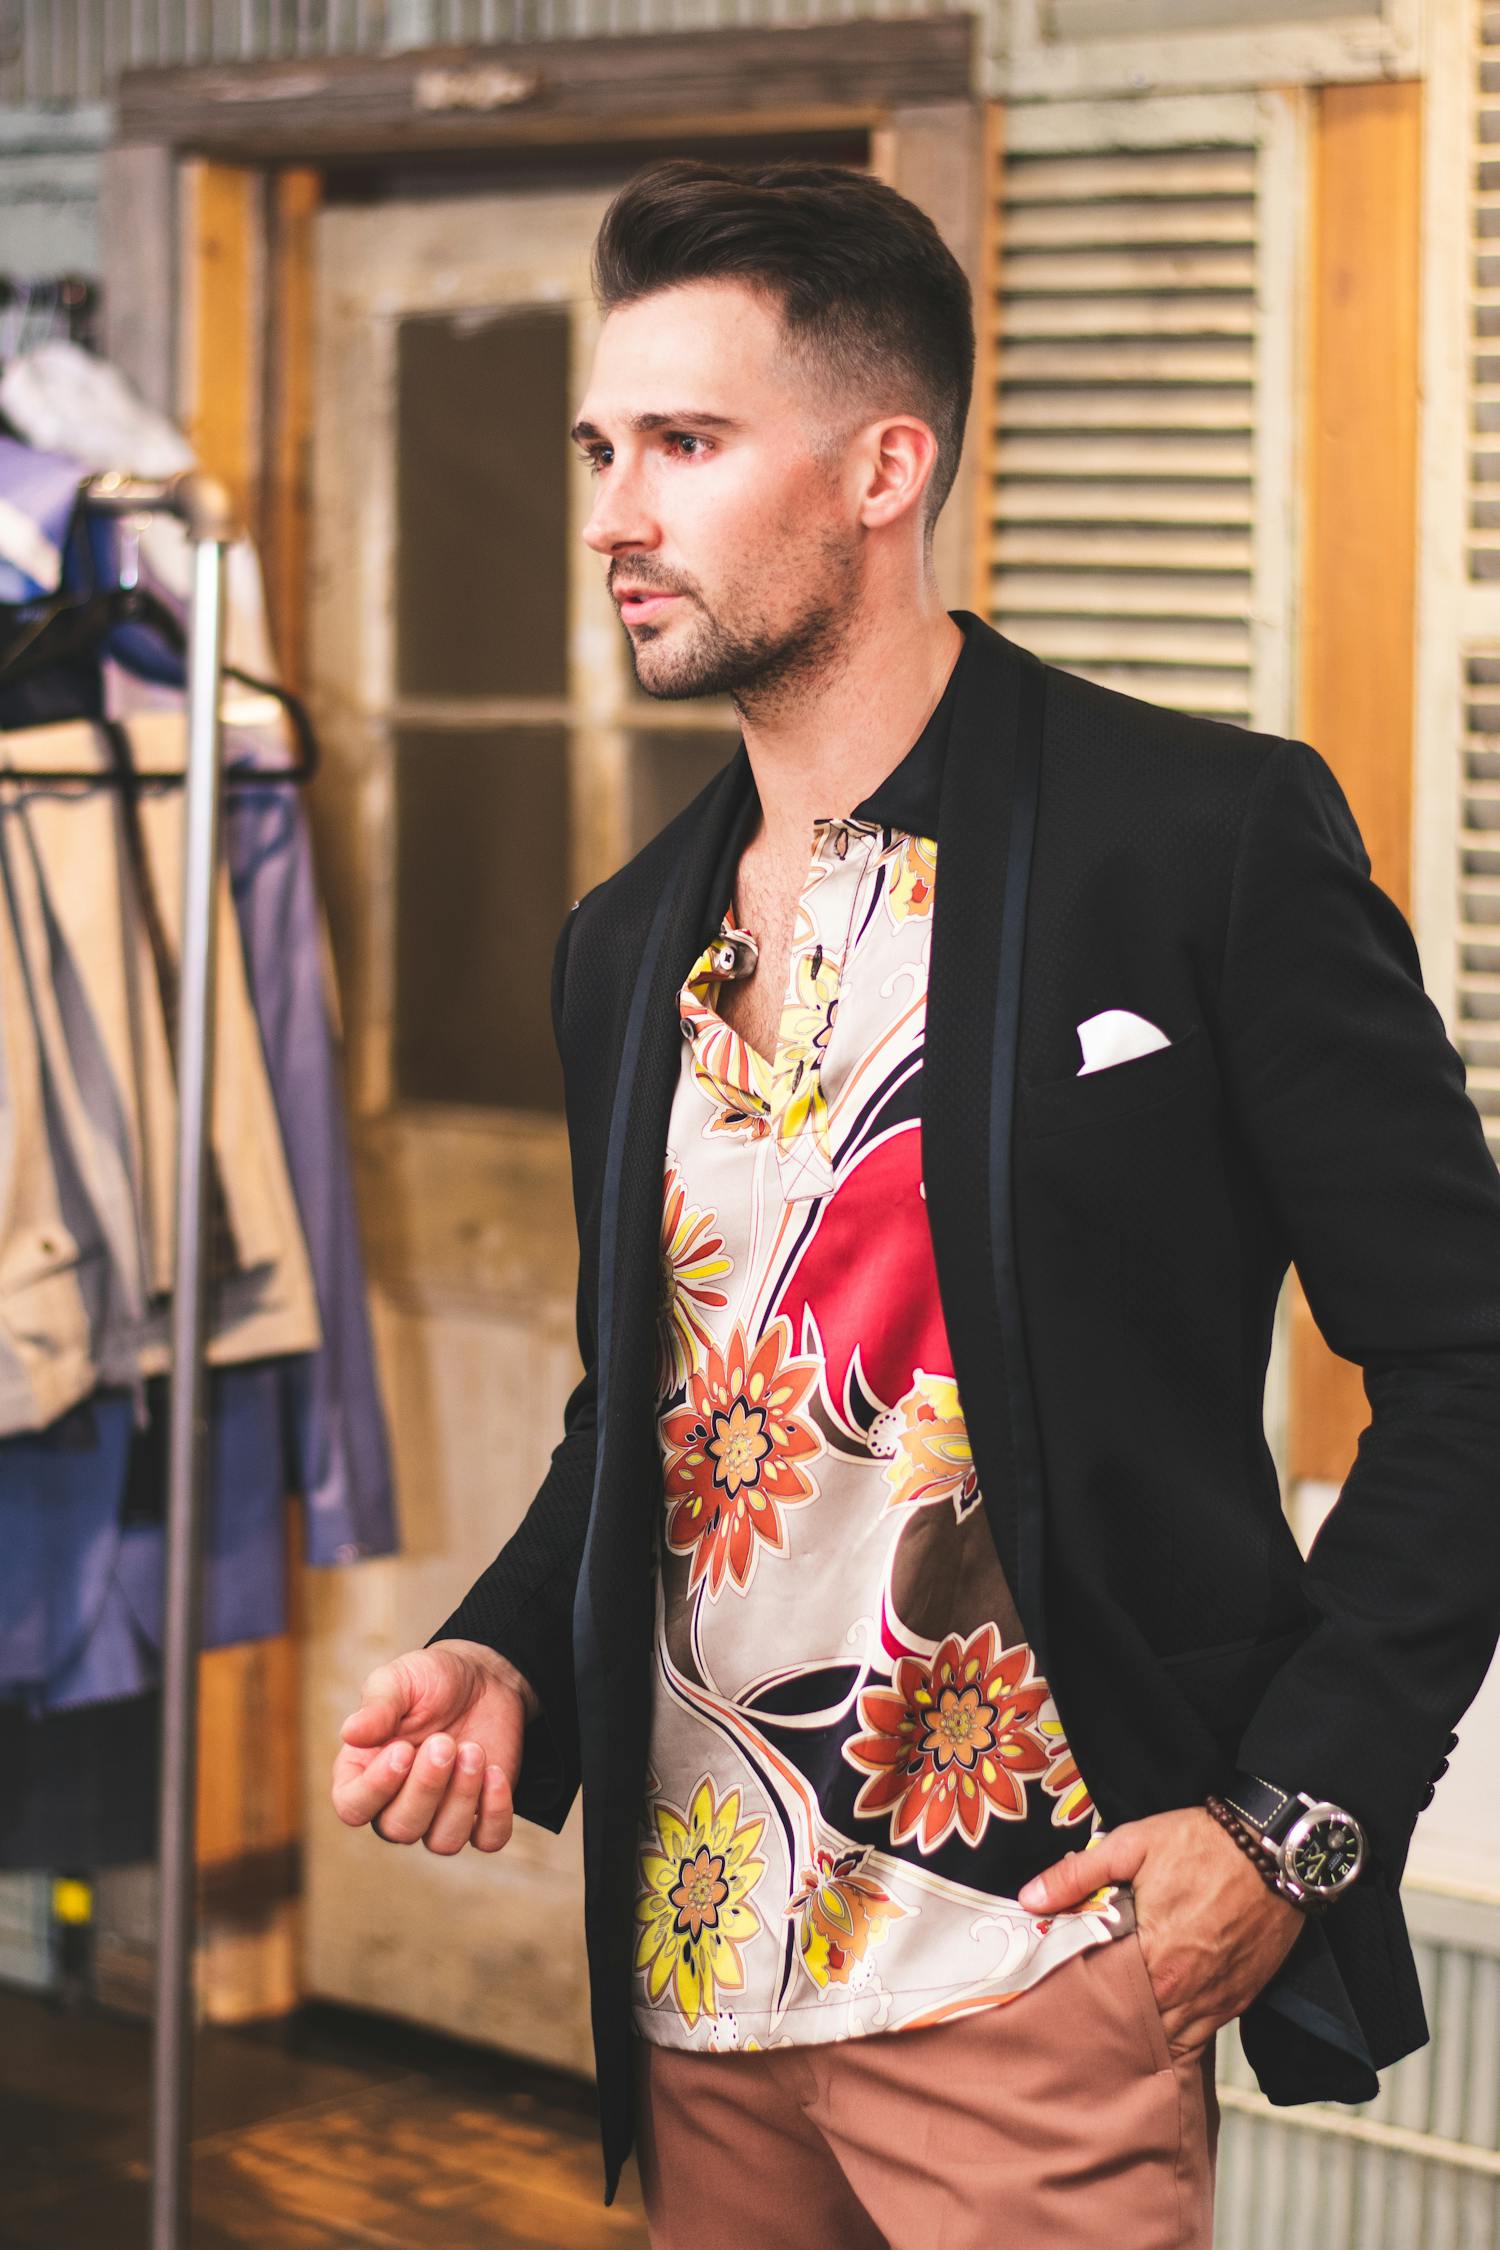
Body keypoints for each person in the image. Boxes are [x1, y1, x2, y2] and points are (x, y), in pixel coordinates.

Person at [330, 158, 1500, 2247]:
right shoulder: (626, 941)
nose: (613, 515)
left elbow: (1471, 1361)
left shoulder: (1202, 840)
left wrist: (1292, 1820)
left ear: (887, 467)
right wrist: (512, 1651)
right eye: (601, 450)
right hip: (699, 1969)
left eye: (685, 444)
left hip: (1035, 1965)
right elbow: (665, 1409)